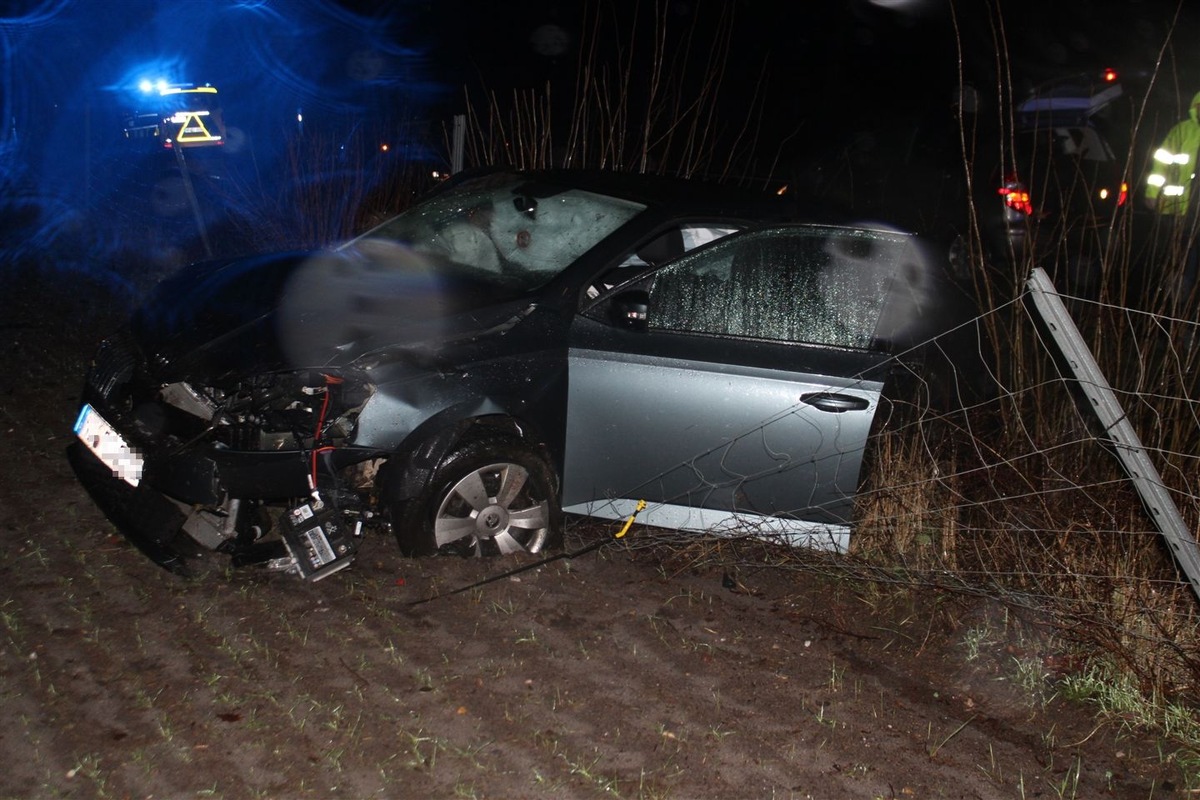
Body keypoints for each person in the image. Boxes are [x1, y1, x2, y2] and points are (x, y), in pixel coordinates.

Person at [1145, 91, 1200, 216]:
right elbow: (1160, 164)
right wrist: (1152, 193)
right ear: (1195, 107)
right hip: (1176, 208)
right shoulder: (1181, 131)